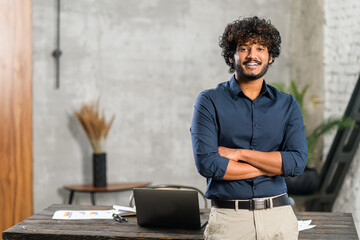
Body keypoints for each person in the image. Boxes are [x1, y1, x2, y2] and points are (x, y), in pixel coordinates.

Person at [190, 16, 307, 240]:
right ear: (231, 56)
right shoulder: (209, 101)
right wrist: (274, 165)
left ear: (270, 56)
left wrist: (239, 154)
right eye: (244, 48)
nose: (253, 55)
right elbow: (209, 164)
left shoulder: (287, 104)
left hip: (279, 219)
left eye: (261, 48)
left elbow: (297, 163)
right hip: (229, 220)